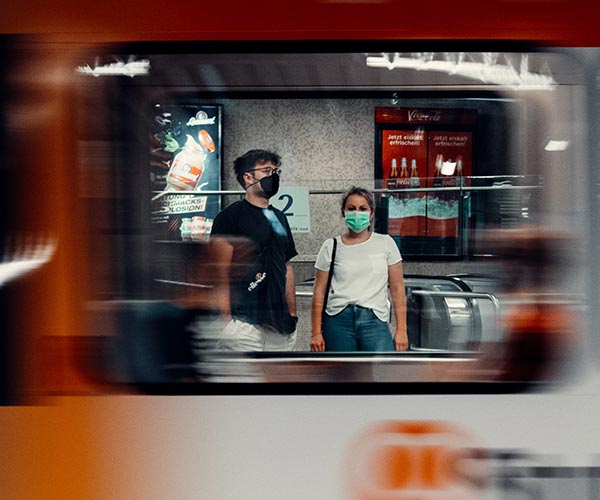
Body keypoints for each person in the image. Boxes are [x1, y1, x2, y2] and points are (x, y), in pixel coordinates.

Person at [210, 149, 298, 351]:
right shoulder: (229, 218)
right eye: (267, 170)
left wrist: (292, 315)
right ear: (248, 177)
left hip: (281, 328)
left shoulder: (279, 217)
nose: (273, 176)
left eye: (276, 171)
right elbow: (218, 274)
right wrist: (227, 325)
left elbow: (287, 266)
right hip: (244, 326)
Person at [310, 186, 408, 352]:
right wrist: (315, 333)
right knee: (342, 375)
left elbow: (398, 289)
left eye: (363, 209)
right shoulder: (331, 246)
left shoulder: (386, 243)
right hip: (338, 320)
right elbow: (319, 291)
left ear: (371, 213)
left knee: (381, 374)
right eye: (351, 209)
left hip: (374, 320)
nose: (357, 213)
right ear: (343, 212)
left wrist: (401, 330)